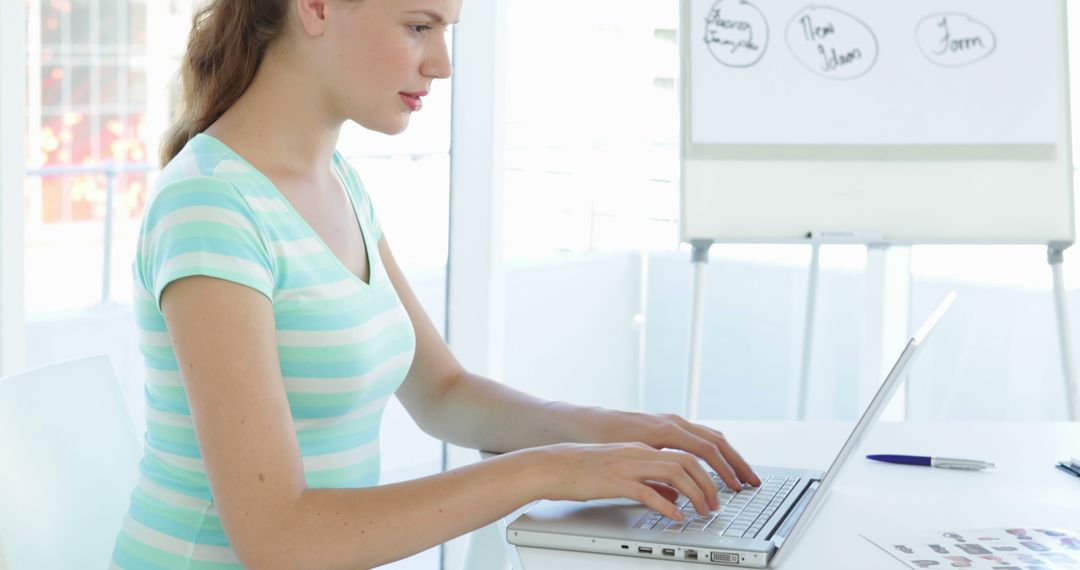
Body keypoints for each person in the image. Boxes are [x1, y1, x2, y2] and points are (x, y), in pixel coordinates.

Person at [110, 0, 761, 567]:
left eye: (445, 29)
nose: (442, 63)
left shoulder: (338, 185)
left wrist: (618, 431)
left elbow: (443, 395)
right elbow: (278, 540)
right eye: (419, 26)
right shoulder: (211, 208)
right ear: (315, 6)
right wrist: (553, 470)